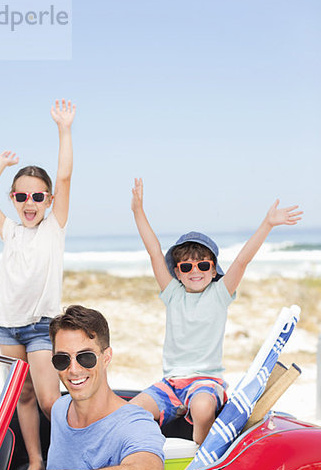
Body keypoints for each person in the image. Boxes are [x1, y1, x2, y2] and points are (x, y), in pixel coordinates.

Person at [130, 177, 303, 445]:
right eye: (186, 267)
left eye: (202, 265)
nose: (195, 272)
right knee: (132, 412)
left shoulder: (219, 294)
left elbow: (243, 260)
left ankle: (202, 458)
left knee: (201, 408)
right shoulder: (173, 294)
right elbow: (154, 252)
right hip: (171, 384)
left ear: (213, 270)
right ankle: (150, 455)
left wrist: (268, 224)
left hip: (205, 383)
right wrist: (138, 211)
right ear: (177, 272)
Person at [0, 98, 76, 470]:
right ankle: (36, 464)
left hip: (39, 326)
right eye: (21, 197)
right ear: (14, 200)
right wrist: (1, 165)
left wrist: (63, 130)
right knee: (24, 397)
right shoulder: (10, 230)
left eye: (37, 196)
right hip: (7, 326)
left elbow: (64, 177)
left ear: (48, 200)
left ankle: (66, 462)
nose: (29, 203)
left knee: (51, 400)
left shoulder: (55, 227)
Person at [15, 305, 165, 470]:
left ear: (106, 357)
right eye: (62, 360)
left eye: (86, 357)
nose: (74, 370)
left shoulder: (135, 424)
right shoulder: (60, 409)